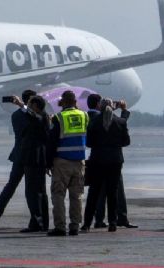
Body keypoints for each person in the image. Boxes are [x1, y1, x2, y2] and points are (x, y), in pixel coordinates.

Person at [85, 93, 136, 229]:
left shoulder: (93, 120)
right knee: (114, 192)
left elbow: (89, 143)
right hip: (114, 160)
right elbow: (125, 139)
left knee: (95, 193)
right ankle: (117, 220)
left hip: (97, 159)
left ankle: (91, 222)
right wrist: (123, 111)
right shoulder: (118, 121)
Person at [0, 89, 37, 229]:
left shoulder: (15, 115)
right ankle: (36, 217)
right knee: (31, 189)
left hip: (18, 155)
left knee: (11, 186)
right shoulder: (32, 116)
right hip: (29, 156)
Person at [46, 90, 88, 236]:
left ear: (61, 102)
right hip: (79, 161)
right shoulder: (84, 115)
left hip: (62, 161)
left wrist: (48, 163)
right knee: (76, 195)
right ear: (75, 102)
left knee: (58, 194)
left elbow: (52, 142)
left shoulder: (58, 118)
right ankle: (75, 225)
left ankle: (60, 226)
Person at [20, 95, 50, 233]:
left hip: (33, 158)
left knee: (32, 192)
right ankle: (42, 221)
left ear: (36, 107)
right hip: (40, 158)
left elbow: (34, 117)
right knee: (40, 192)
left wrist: (22, 106)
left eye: (30, 105)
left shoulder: (40, 118)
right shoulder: (43, 117)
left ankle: (37, 221)